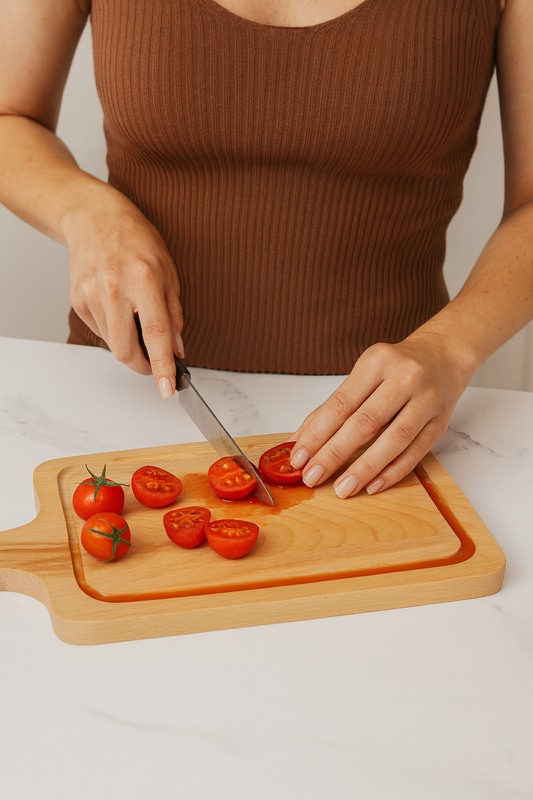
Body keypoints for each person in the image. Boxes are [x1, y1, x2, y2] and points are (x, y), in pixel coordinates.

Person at [1, 0, 532, 500]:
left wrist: (450, 349)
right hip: (118, 395)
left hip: (387, 424)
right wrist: (87, 212)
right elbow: (8, 116)